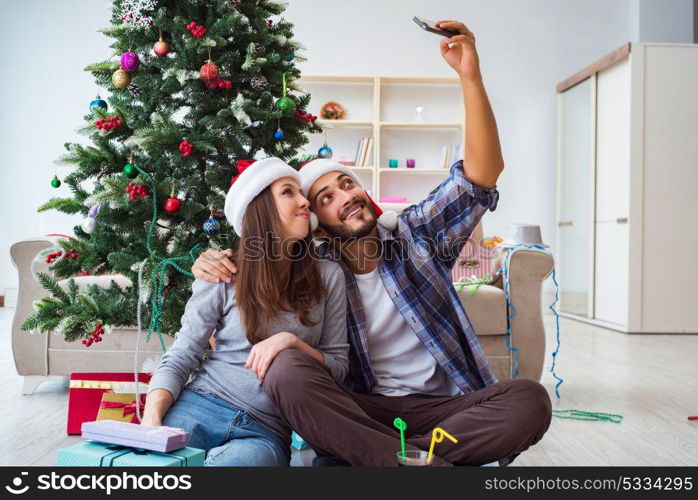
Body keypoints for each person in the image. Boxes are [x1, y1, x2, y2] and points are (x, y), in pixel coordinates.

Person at [192, 20, 551, 466]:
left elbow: (481, 175)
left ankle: (396, 461)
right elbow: (261, 249)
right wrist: (213, 261)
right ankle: (398, 458)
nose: (346, 196)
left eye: (348, 184)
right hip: (362, 410)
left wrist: (469, 76)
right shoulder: (312, 267)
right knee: (286, 368)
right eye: (327, 197)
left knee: (529, 400)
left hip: (443, 411)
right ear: (316, 223)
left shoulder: (417, 237)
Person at [141, 157, 349, 466]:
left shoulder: (328, 275)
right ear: (261, 206)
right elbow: (183, 353)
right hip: (200, 405)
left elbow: (339, 367)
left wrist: (292, 343)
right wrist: (151, 419)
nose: (305, 200)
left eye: (301, 192)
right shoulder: (224, 272)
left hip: (265, 431)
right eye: (288, 192)